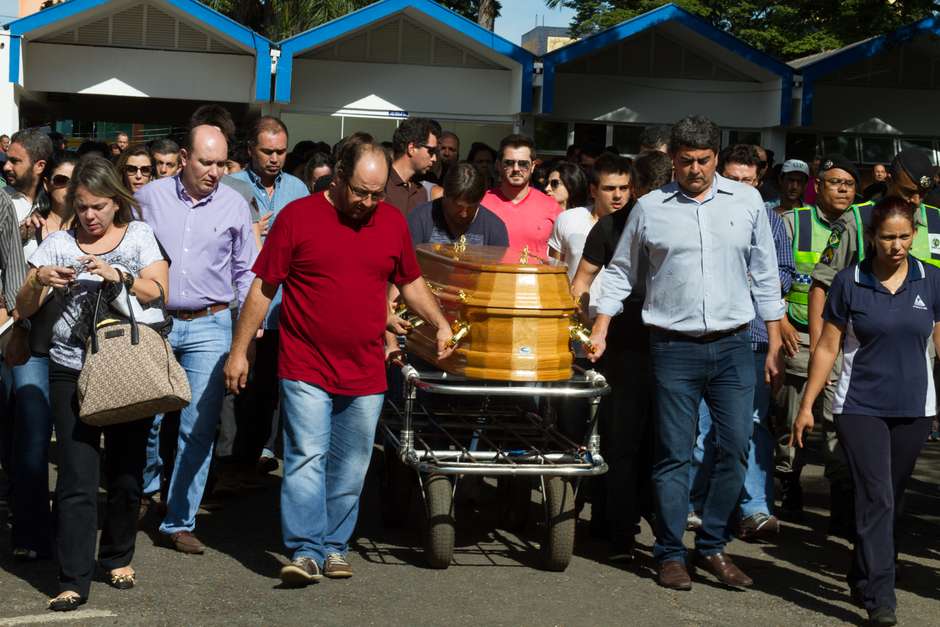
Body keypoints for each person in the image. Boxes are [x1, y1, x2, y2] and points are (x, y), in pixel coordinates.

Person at [223, 134, 454, 586]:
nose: (369, 202)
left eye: (377, 193)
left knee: (351, 464)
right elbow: (263, 287)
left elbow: (410, 282)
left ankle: (334, 545)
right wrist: (240, 349)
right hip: (305, 363)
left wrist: (440, 322)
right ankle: (306, 549)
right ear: (339, 176)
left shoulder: (390, 222)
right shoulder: (298, 217)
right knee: (307, 456)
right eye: (360, 192)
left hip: (367, 368)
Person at [588, 116, 784, 591]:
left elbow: (763, 269)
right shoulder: (651, 208)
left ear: (716, 157)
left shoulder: (748, 200)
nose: (695, 169)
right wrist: (601, 325)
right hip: (673, 348)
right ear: (672, 159)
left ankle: (713, 545)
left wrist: (775, 336)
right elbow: (620, 273)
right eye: (685, 161)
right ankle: (671, 553)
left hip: (735, 344)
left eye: (703, 160)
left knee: (735, 448)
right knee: (675, 455)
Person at [16, 155, 169, 611]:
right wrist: (39, 278)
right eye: (82, 206)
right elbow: (24, 308)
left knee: (124, 472)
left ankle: (118, 554)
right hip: (71, 367)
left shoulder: (139, 235)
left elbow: (159, 292)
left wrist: (118, 275)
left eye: (99, 206)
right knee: (77, 476)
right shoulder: (59, 243)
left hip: (127, 363)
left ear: (116, 202)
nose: (90, 216)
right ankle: (73, 579)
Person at [792, 196, 939, 626]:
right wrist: (807, 406)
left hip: (915, 407)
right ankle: (882, 596)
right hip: (860, 407)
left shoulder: (931, 281)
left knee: (890, 497)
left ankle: (863, 570)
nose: (897, 246)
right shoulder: (849, 281)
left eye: (905, 237)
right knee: (877, 495)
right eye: (888, 238)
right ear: (872, 237)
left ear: (915, 235)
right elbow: (827, 347)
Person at [135, 124, 257, 555]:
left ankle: (177, 520)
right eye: (206, 162)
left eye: (222, 163)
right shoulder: (149, 198)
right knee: (145, 415)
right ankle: (145, 489)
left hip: (211, 323)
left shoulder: (234, 205)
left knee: (198, 426)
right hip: (155, 320)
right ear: (184, 157)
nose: (215, 171)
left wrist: (248, 331)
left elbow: (246, 272)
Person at [700, 144, 794, 541]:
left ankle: (753, 507)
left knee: (752, 425)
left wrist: (743, 284)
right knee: (701, 426)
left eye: (748, 181)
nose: (740, 187)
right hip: (705, 338)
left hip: (754, 338)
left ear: (759, 182)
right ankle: (696, 504)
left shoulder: (770, 221)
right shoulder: (701, 213)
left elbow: (783, 273)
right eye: (733, 179)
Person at [570, 152, 660, 562]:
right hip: (620, 344)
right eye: (613, 189)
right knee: (619, 438)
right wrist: (584, 327)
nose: (621, 197)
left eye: (627, 189)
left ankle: (642, 518)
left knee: (659, 440)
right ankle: (617, 528)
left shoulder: (670, 225)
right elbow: (581, 282)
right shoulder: (607, 227)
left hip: (669, 342)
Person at [777, 154, 867, 532]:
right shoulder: (791, 222)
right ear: (819, 185)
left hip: (848, 341)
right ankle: (788, 482)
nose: (843, 189)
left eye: (848, 183)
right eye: (834, 182)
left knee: (839, 420)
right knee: (792, 418)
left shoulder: (862, 224)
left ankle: (842, 501)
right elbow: (772, 279)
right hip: (799, 336)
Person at [5, 153, 78, 562]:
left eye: (74, 180)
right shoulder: (29, 227)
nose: (67, 188)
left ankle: (68, 531)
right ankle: (31, 531)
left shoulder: (90, 231)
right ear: (48, 183)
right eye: (60, 180)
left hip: (76, 352)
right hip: (32, 345)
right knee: (31, 440)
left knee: (73, 447)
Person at [227, 116, 308, 479]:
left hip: (285, 312)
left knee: (272, 394)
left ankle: (255, 461)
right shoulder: (230, 187)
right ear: (250, 150)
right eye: (267, 151)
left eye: (280, 151)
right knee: (238, 391)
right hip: (244, 309)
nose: (274, 158)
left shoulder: (297, 189)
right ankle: (229, 464)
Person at [550, 157, 623, 312]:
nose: (618, 195)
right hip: (574, 316)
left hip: (621, 320)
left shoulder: (638, 226)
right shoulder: (568, 219)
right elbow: (554, 274)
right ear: (593, 190)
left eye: (623, 188)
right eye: (609, 188)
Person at [481, 135, 561, 259]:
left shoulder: (551, 206)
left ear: (533, 166)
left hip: (536, 277)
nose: (516, 169)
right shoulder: (481, 203)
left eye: (523, 164)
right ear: (498, 165)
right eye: (509, 163)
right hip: (493, 277)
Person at [407, 162, 507, 247]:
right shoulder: (420, 218)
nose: (464, 214)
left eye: (472, 207)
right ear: (445, 194)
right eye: (458, 206)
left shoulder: (494, 228)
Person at [385, 117, 440, 215]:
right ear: (412, 148)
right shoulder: (380, 186)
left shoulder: (421, 191)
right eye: (431, 151)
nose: (434, 158)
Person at [4, 129, 52, 235]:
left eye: (14, 161)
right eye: (6, 160)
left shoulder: (58, 200)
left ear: (40, 166)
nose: (6, 167)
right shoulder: (3, 201)